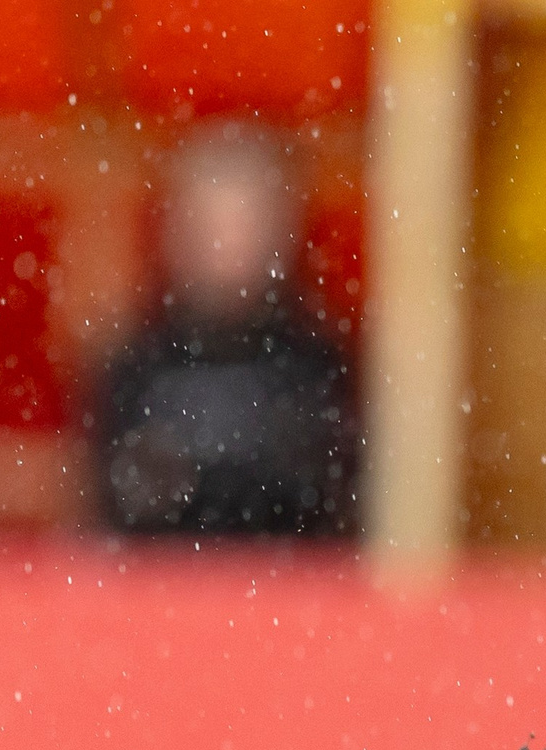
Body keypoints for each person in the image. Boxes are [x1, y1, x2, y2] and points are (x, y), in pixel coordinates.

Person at [95, 123, 357, 536]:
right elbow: (111, 514)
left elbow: (334, 509)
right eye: (214, 224)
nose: (229, 246)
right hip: (160, 594)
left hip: (292, 594)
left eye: (246, 223)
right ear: (177, 231)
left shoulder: (322, 366)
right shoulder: (133, 367)